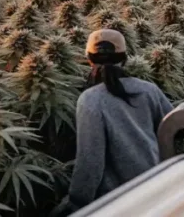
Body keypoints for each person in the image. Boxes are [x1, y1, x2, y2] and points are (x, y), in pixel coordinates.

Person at [57, 29, 174, 215]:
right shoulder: (149, 90)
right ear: (125, 58)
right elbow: (175, 131)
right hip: (154, 188)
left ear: (88, 58)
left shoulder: (90, 100)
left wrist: (76, 202)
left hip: (114, 201)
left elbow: (90, 161)